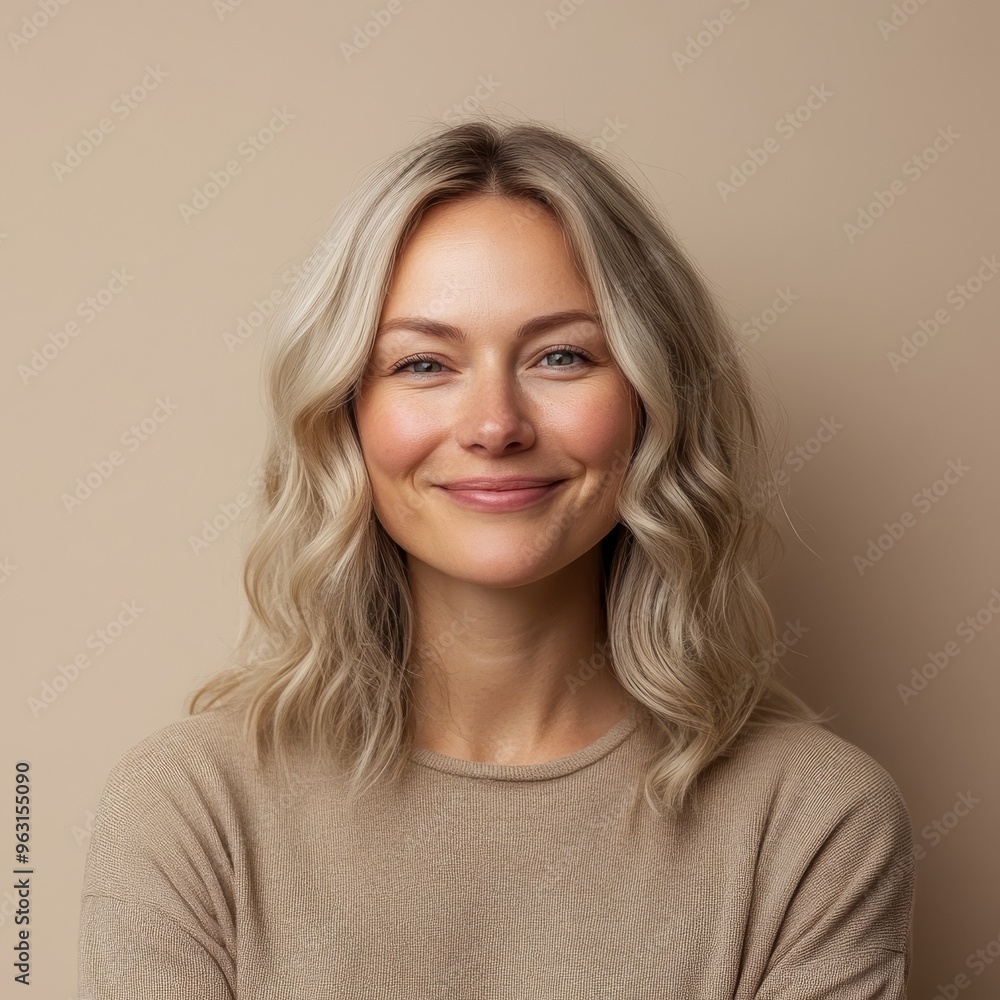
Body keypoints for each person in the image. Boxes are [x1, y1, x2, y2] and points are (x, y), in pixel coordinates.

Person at [78, 115, 915, 998]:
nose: (494, 426)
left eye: (561, 356)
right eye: (424, 364)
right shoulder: (190, 810)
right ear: (346, 414)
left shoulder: (814, 821)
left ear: (651, 399)